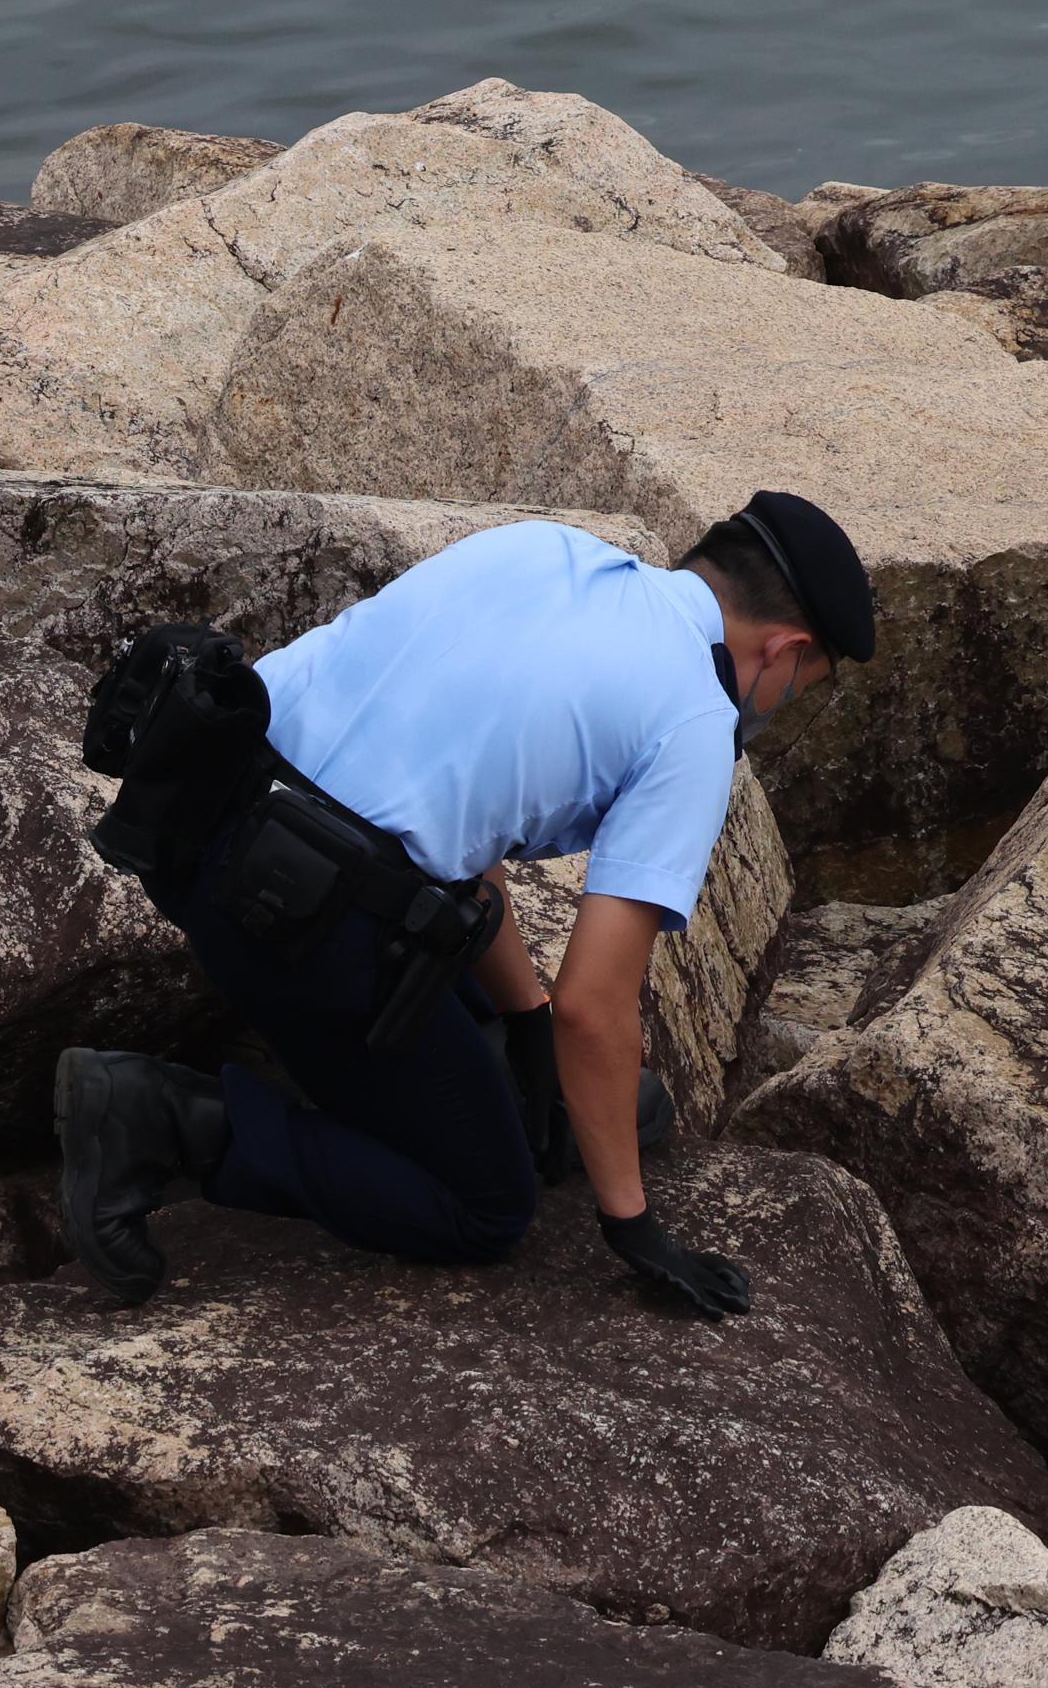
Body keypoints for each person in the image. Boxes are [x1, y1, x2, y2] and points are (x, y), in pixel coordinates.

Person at [50, 498, 876, 1316]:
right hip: (287, 920)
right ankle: (166, 1120)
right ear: (784, 650)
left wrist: (527, 1025)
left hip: (191, 823)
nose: (786, 700)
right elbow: (596, 1007)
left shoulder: (548, 551)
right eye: (805, 685)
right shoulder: (695, 715)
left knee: (458, 977)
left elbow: (458, 810)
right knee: (487, 1204)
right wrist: (633, 1225)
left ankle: (520, 1092)